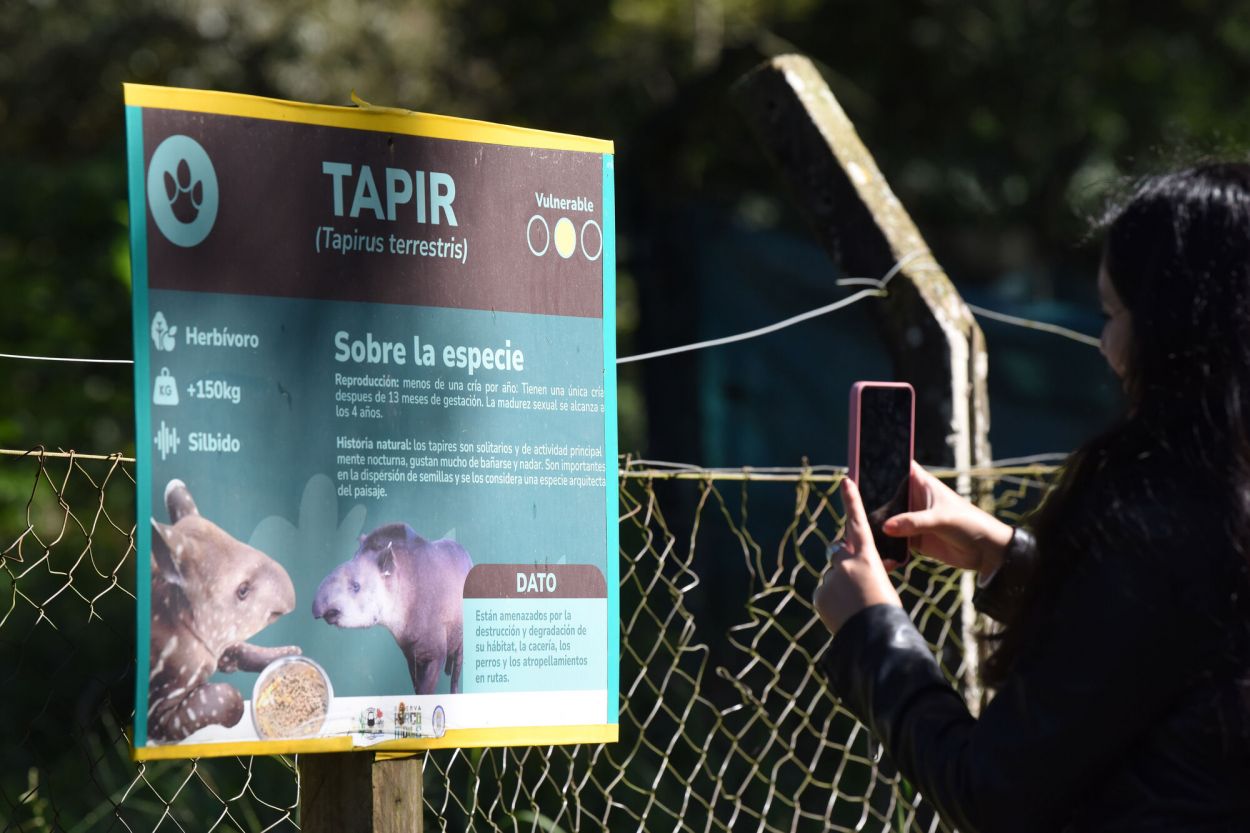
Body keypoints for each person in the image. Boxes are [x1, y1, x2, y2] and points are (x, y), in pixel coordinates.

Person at [814, 163, 1250, 832]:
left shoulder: (1157, 522)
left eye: (1113, 314)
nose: (1105, 346)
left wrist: (871, 632)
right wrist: (1010, 560)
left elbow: (991, 789)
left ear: (1179, 330)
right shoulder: (1222, 509)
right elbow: (1173, 643)